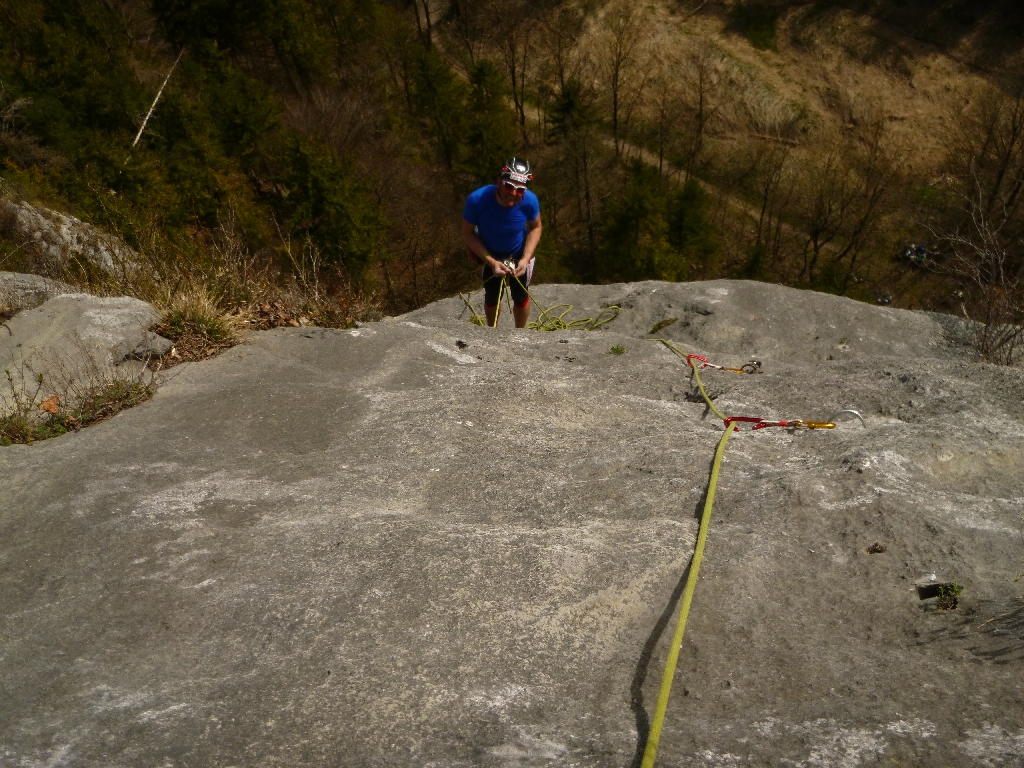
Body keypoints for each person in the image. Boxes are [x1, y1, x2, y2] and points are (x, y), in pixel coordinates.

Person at [461, 157, 542, 328]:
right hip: (490, 251)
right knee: (492, 295)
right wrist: (490, 261)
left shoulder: (530, 201)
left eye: (519, 189)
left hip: (518, 252)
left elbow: (536, 227)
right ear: (499, 182)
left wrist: (525, 258)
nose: (513, 193)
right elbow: (467, 233)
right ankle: (492, 332)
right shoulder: (478, 200)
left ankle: (520, 333)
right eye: (509, 186)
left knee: (520, 295)